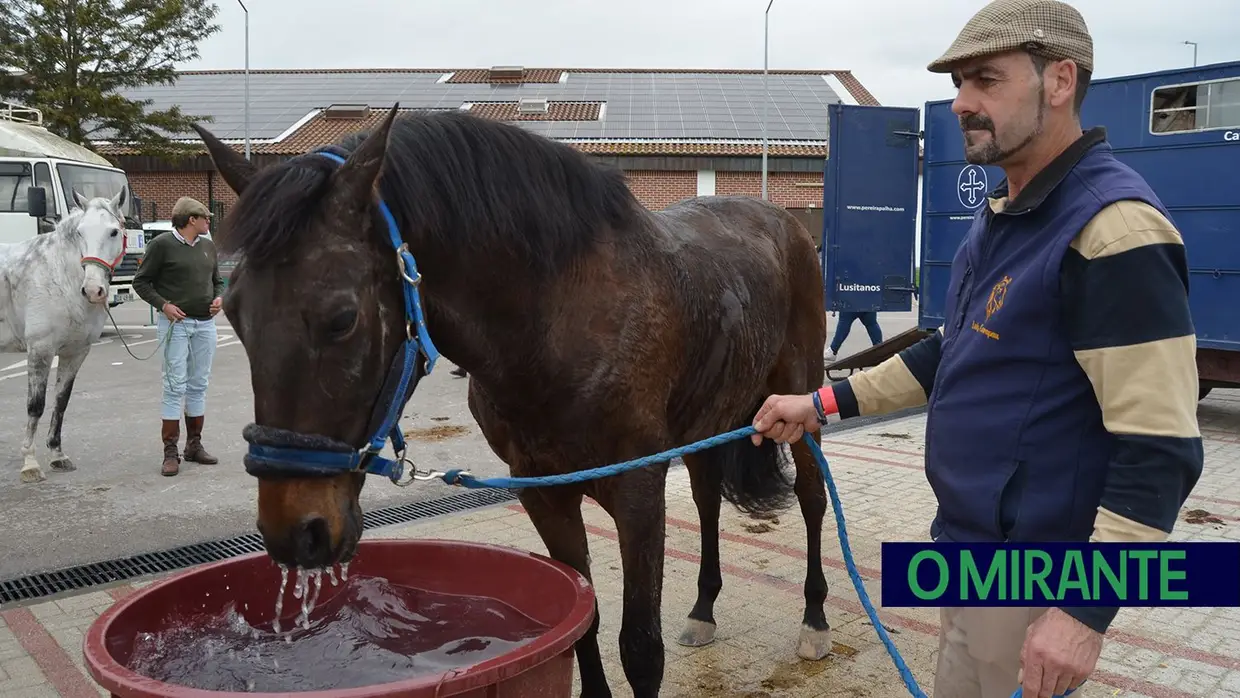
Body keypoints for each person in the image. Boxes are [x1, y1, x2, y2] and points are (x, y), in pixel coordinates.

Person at [751, 1, 1204, 696]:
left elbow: (1161, 449)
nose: (962, 102)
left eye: (985, 80)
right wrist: (820, 402)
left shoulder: (1114, 232)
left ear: (1059, 81)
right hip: (973, 551)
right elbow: (951, 353)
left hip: (1037, 579)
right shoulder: (1003, 214)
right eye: (960, 83)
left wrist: (1084, 614)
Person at [132, 196, 225, 476]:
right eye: (204, 217)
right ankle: (170, 452)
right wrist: (164, 305)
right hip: (177, 326)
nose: (209, 221)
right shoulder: (161, 245)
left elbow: (217, 280)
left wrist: (220, 298)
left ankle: (193, 445)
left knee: (199, 384)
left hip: (205, 324)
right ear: (190, 220)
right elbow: (141, 281)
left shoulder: (208, 246)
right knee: (175, 386)